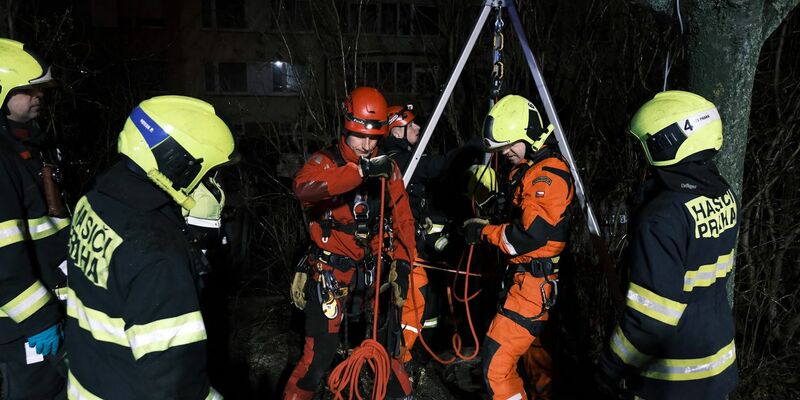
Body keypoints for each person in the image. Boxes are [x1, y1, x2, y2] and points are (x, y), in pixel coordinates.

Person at [64, 95, 234, 399]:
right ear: (177, 164)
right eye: (208, 174)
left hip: (88, 381)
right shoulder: (159, 255)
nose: (213, 185)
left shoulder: (93, 201)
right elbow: (175, 380)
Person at [596, 91, 739, 400]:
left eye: (646, 144)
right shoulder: (723, 194)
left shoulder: (661, 217)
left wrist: (610, 366)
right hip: (718, 361)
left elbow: (652, 318)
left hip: (672, 374)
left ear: (665, 143)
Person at [285, 87, 416, 400]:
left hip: (374, 274)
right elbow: (303, 188)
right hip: (331, 274)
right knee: (318, 358)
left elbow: (404, 220)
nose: (367, 146)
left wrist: (403, 262)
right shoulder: (325, 162)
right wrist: (359, 172)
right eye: (360, 137)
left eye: (373, 139)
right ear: (346, 129)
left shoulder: (388, 169)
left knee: (387, 352)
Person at [463, 94, 574, 400]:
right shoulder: (527, 170)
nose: (505, 152)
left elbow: (526, 237)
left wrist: (484, 232)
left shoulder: (548, 175)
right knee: (537, 367)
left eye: (510, 144)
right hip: (527, 283)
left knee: (496, 367)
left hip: (531, 289)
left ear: (528, 135)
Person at [0, 37, 69, 400]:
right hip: (21, 327)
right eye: (28, 90)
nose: (39, 96)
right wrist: (39, 320)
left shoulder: (26, 145)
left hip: (44, 313)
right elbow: (3, 255)